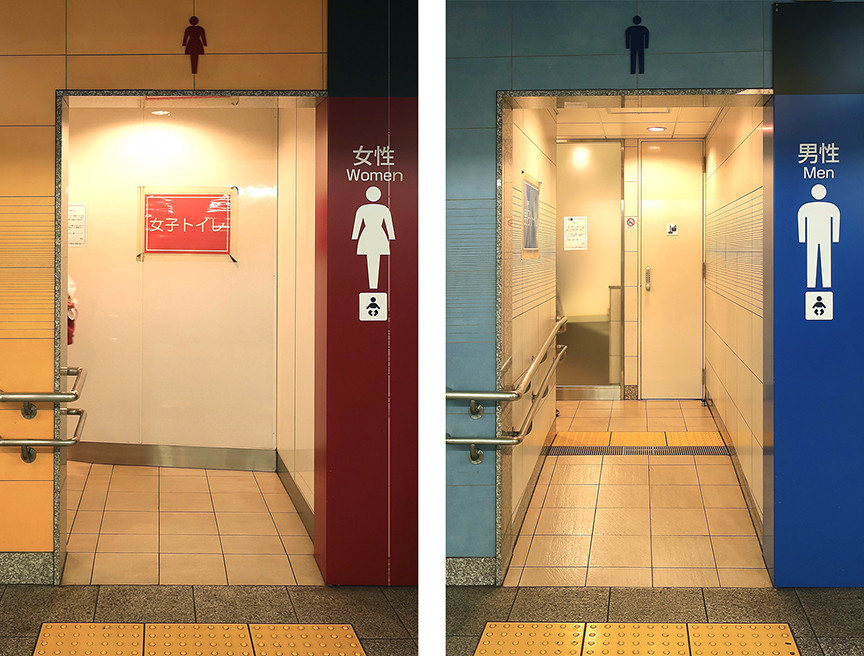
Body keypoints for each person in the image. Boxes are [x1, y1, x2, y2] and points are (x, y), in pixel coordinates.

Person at [352, 186, 395, 289]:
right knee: (374, 259)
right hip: (379, 235)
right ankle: (373, 286)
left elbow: (357, 226)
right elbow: (389, 226)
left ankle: (373, 286)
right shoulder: (384, 209)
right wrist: (391, 236)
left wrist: (355, 236)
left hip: (368, 234)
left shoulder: (362, 209)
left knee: (372, 259)